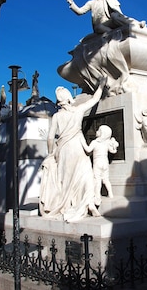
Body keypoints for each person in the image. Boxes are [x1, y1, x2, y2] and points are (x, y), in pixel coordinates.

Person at [39, 79, 106, 221]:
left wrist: (51, 153)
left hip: (64, 150)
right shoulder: (78, 110)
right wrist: (101, 85)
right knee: (86, 175)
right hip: (77, 147)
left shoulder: (57, 116)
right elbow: (95, 99)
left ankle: (69, 204)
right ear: (69, 98)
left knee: (67, 180)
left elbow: (50, 137)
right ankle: (89, 203)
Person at [66, 0, 145, 34]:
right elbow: (80, 11)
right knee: (99, 27)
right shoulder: (91, 2)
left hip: (111, 21)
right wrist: (72, 3)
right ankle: (116, 35)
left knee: (115, 16)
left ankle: (137, 24)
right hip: (101, 25)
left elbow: (121, 15)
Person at [85, 125, 119, 206]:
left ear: (102, 133)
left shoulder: (94, 142)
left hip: (97, 162)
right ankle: (110, 194)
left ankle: (97, 196)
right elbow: (113, 151)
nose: (96, 131)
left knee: (97, 180)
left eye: (99, 130)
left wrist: (82, 143)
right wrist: (114, 146)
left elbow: (88, 150)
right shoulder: (107, 143)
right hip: (105, 162)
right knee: (106, 179)